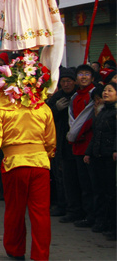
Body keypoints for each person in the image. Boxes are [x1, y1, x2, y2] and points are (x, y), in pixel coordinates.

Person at [0, 56, 56, 261]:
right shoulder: (42, 106)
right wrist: (47, 157)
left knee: (15, 210)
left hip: (15, 164)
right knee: (41, 213)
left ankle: (15, 250)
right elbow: (51, 141)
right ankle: (40, 255)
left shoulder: (0, 106)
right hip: (40, 164)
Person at [63, 64, 96, 227]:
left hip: (88, 146)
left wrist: (76, 133)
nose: (83, 77)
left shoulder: (94, 95)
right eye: (81, 74)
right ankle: (80, 212)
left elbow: (89, 120)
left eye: (87, 74)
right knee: (78, 182)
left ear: (92, 78)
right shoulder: (75, 96)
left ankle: (92, 216)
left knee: (90, 184)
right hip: (76, 145)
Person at [83, 83, 116, 240]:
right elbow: (96, 134)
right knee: (100, 190)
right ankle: (101, 221)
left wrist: (115, 149)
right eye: (105, 90)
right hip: (98, 156)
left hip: (110, 157)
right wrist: (88, 152)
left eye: (110, 90)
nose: (106, 93)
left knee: (111, 193)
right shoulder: (101, 112)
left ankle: (112, 225)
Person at [45, 67, 76, 217]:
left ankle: (74, 208)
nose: (66, 84)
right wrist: (56, 109)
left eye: (69, 81)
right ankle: (62, 204)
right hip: (58, 141)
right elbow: (47, 117)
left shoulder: (77, 96)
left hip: (74, 141)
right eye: (63, 81)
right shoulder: (57, 97)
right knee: (59, 176)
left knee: (73, 178)